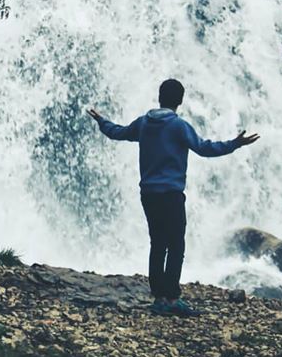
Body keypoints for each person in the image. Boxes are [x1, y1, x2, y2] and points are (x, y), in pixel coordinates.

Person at [87, 78, 259, 316]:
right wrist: (235, 144)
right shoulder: (179, 126)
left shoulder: (144, 123)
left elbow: (119, 132)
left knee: (157, 244)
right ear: (179, 100)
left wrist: (101, 121)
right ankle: (171, 298)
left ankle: (159, 297)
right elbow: (204, 148)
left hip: (148, 194)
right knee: (176, 245)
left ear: (160, 97)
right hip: (171, 194)